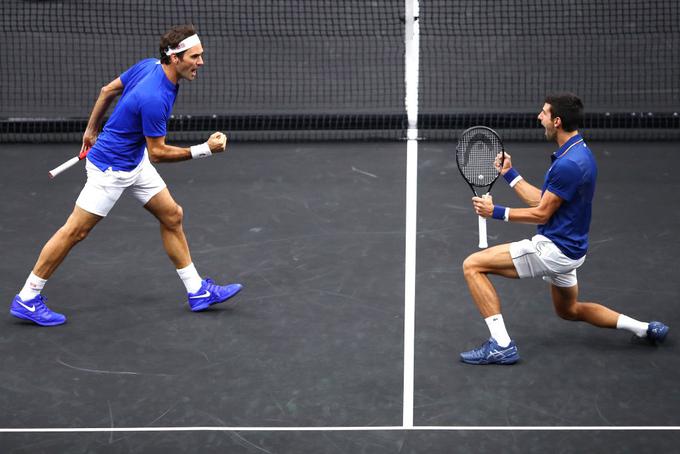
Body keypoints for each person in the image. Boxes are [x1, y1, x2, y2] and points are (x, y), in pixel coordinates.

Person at [10, 25, 242, 326]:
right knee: (74, 232)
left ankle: (197, 291)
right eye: (195, 57)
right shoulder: (155, 97)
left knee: (172, 215)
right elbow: (158, 152)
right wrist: (205, 149)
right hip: (111, 170)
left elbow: (108, 90)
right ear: (174, 58)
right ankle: (27, 298)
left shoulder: (149, 65)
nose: (201, 62)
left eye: (201, 56)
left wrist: (91, 129)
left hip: (134, 161)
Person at [459, 93, 669, 365]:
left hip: (553, 250)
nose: (539, 117)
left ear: (557, 121)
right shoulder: (579, 153)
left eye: (544, 113)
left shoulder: (567, 165)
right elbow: (546, 201)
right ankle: (645, 328)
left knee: (472, 266)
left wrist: (495, 212)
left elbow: (542, 213)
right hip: (573, 250)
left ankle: (501, 345)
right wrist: (510, 175)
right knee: (569, 310)